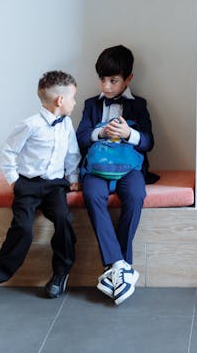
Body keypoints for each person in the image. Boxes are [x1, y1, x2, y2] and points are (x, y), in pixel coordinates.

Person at [0, 71, 80, 303]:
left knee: (64, 222)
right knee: (22, 228)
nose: (74, 102)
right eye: (73, 97)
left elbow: (72, 152)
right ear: (60, 100)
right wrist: (14, 180)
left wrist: (73, 177)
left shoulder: (67, 124)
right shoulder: (30, 125)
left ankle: (60, 274)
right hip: (29, 185)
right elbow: (9, 151)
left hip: (55, 186)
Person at [76, 44, 155, 306]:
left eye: (113, 80)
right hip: (97, 167)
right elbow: (80, 138)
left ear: (128, 79)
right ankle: (121, 264)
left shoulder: (139, 105)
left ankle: (116, 266)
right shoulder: (90, 105)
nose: (106, 86)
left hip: (129, 167)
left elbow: (148, 142)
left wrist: (128, 134)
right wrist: (101, 132)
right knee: (92, 193)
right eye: (102, 79)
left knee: (135, 194)